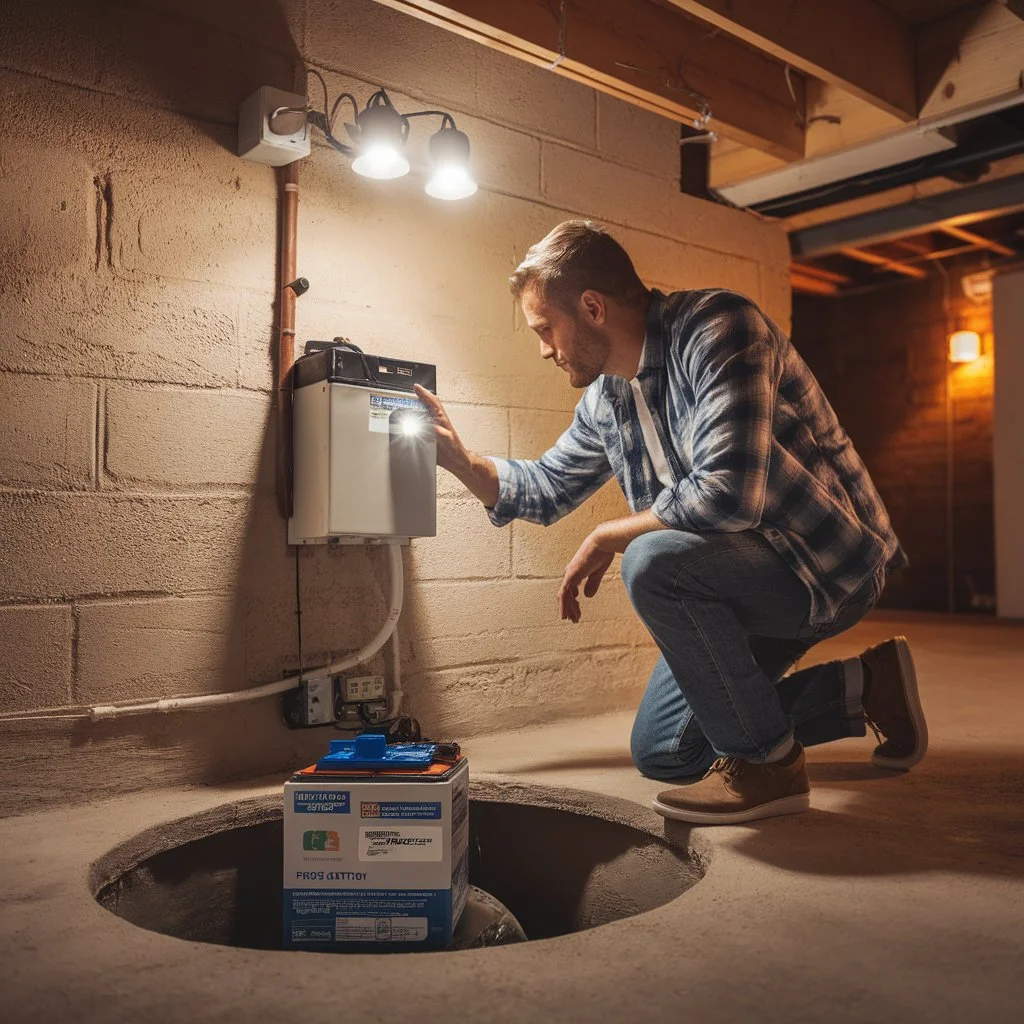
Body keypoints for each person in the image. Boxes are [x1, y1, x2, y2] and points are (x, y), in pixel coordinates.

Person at [414, 220, 927, 825]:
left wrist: (613, 534)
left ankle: (769, 767)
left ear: (592, 307)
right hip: (735, 580)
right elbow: (547, 488)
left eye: (545, 329)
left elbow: (730, 493)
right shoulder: (607, 399)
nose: (545, 348)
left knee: (651, 562)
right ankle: (866, 686)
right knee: (666, 751)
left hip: (820, 566)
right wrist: (461, 460)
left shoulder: (719, 327)